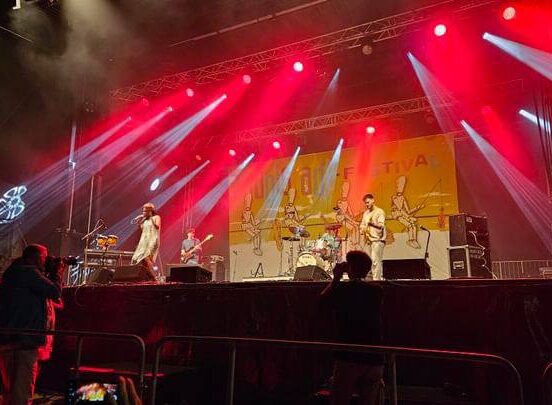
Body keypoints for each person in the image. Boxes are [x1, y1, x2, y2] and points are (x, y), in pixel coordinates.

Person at [0, 244, 63, 405]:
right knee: (22, 389)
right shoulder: (29, 273)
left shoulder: (12, 273)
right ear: (33, 258)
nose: (45, 261)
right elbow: (55, 291)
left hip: (9, 339)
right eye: (44, 257)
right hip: (25, 341)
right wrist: (57, 273)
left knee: (9, 389)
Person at [320, 250, 384, 405]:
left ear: (349, 268)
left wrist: (336, 278)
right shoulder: (377, 291)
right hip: (374, 355)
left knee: (340, 399)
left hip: (348, 354)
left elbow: (322, 302)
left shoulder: (343, 290)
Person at [359, 193, 386, 280]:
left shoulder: (379, 212)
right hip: (368, 241)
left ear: (373, 200)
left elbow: (381, 226)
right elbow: (362, 224)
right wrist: (362, 229)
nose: (367, 205)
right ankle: (370, 281)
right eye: (365, 203)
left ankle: (377, 281)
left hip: (377, 240)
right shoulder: (366, 213)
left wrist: (372, 224)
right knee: (369, 262)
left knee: (376, 261)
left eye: (368, 202)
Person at [131, 203, 160, 278]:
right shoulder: (145, 220)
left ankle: (154, 278)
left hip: (153, 240)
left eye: (145, 211)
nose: (143, 213)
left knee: (146, 257)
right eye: (143, 211)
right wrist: (139, 221)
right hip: (144, 241)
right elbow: (143, 229)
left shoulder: (156, 217)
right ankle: (149, 278)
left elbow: (157, 226)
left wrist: (151, 218)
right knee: (143, 260)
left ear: (150, 211)